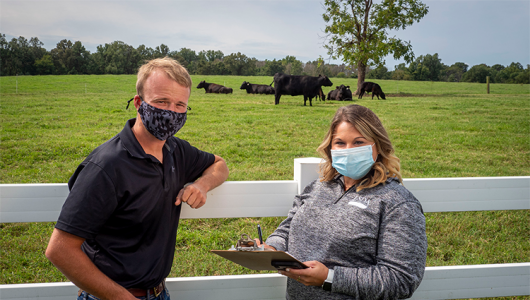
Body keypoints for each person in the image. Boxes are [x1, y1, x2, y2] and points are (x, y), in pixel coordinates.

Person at [45, 57, 229, 300]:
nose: (170, 112)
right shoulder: (107, 166)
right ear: (138, 103)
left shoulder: (176, 150)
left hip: (159, 293)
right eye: (161, 101)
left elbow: (219, 164)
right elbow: (60, 250)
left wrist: (201, 184)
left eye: (180, 105)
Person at [258, 105, 427, 299]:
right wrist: (271, 248)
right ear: (330, 147)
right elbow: (287, 230)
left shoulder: (397, 203)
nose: (349, 150)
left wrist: (329, 278)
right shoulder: (318, 187)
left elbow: (401, 280)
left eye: (358, 142)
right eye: (340, 142)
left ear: (378, 146)